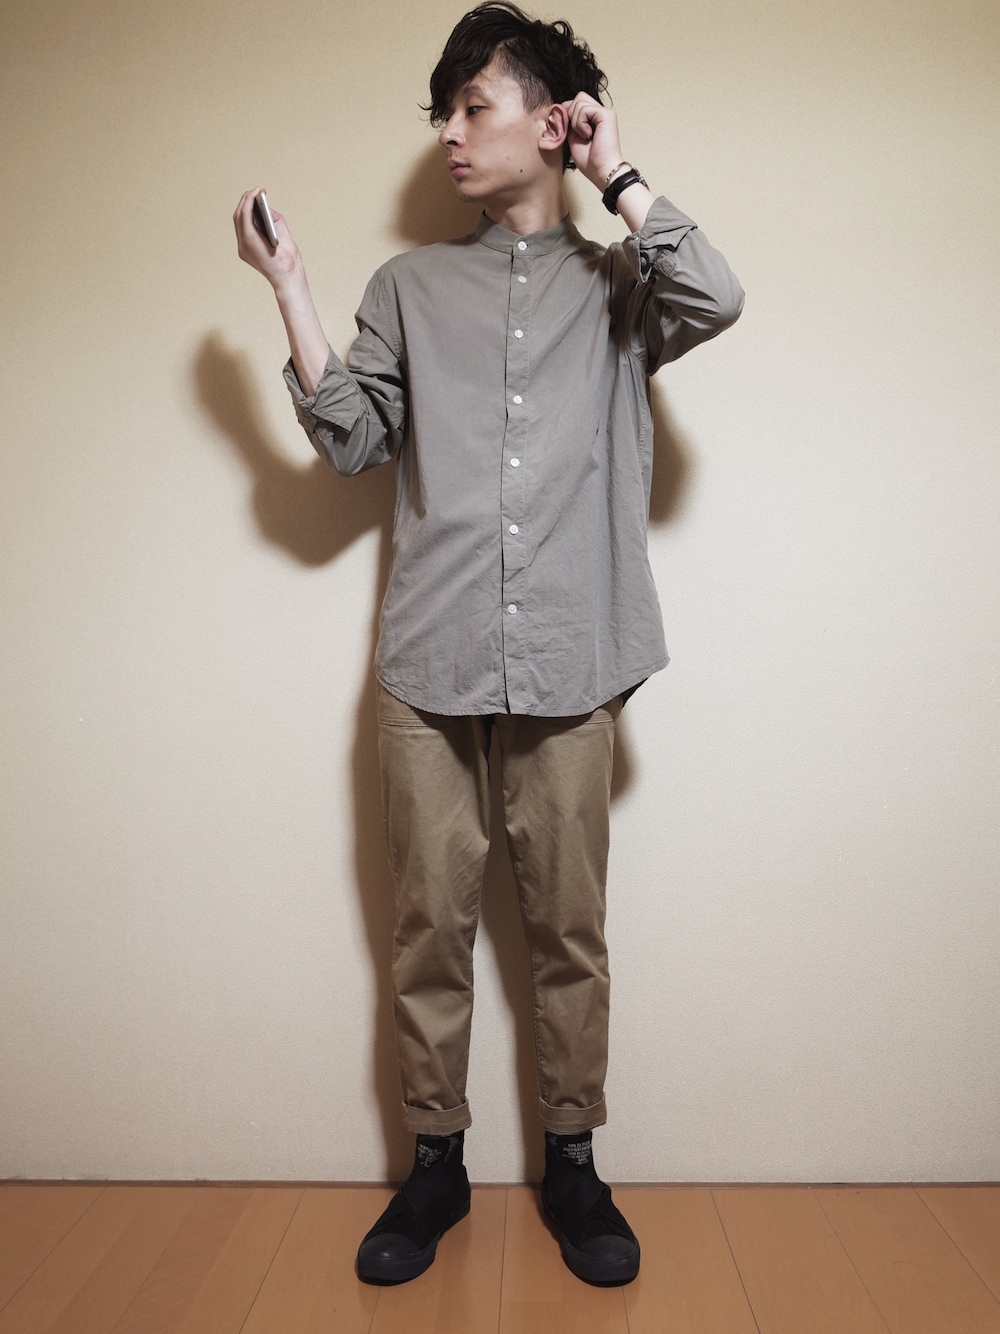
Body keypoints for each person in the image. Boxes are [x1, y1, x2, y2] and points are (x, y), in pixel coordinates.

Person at [234, 0, 743, 1289]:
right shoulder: (407, 289)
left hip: (573, 656)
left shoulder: (621, 285)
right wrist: (290, 288)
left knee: (570, 929)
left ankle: (573, 1162)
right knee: (427, 929)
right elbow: (352, 439)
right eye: (443, 115)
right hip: (431, 659)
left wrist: (616, 171)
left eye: (475, 107)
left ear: (550, 120)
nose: (451, 135)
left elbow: (719, 295)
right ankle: (437, 1162)